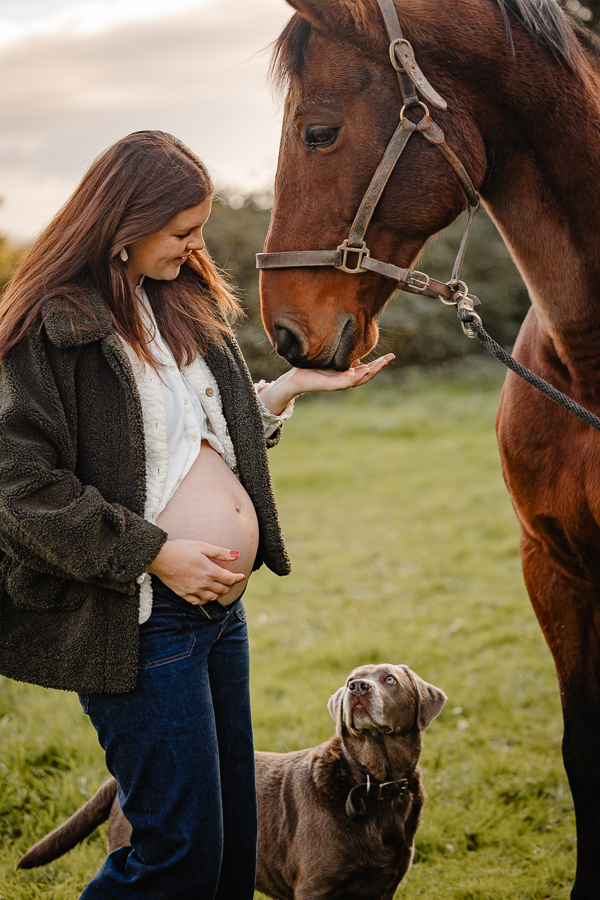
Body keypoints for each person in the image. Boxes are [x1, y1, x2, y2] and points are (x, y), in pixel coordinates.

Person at [0, 130, 393, 899]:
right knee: (176, 857)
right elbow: (17, 486)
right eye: (182, 231)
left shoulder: (176, 302)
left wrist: (289, 390)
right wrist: (152, 552)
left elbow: (195, 438)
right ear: (123, 223)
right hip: (142, 621)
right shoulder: (53, 326)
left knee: (230, 853)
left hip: (217, 619)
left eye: (200, 227)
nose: (197, 245)